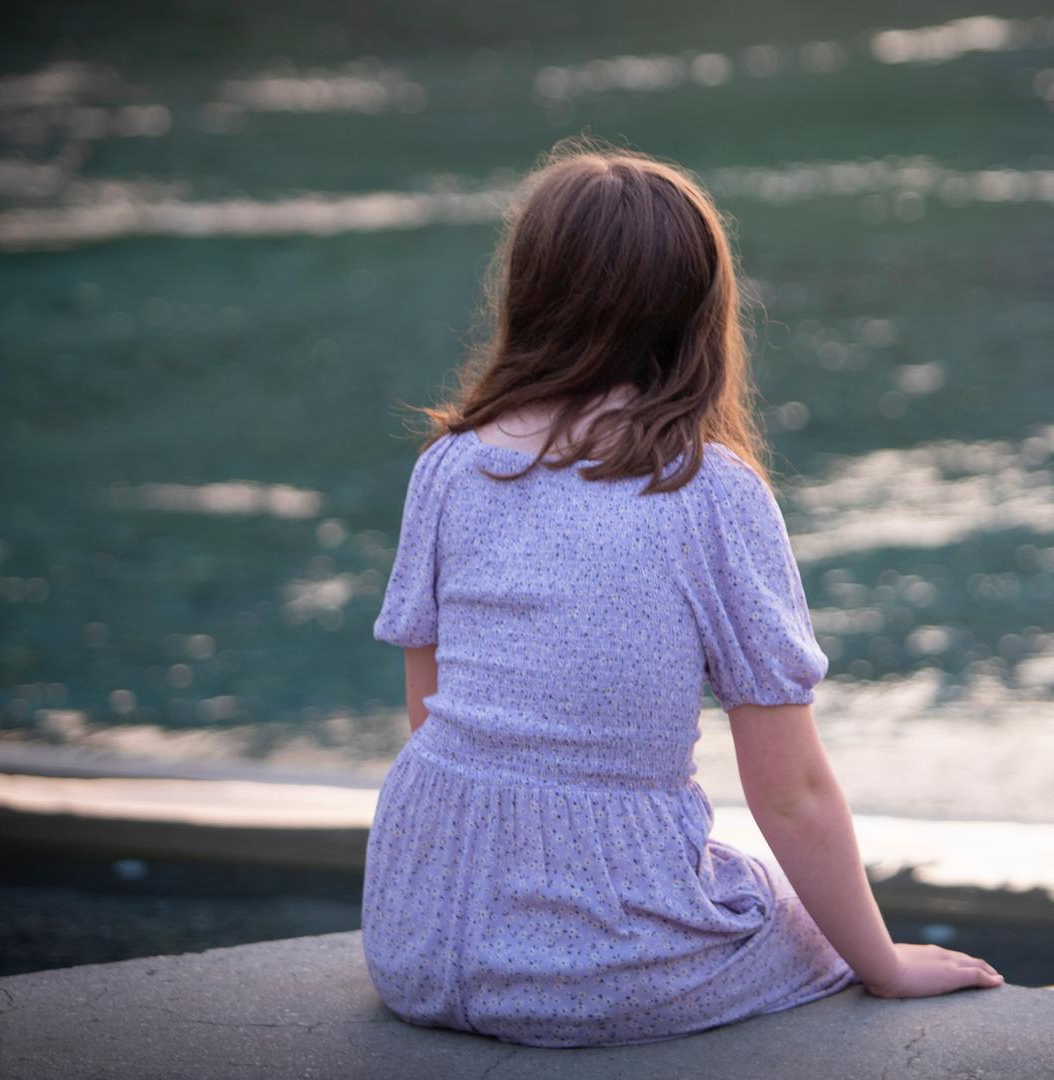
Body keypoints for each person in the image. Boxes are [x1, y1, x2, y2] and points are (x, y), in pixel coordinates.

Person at [361, 135, 1004, 1049]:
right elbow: (790, 793)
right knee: (792, 910)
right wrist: (883, 964)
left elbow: (430, 719)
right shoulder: (706, 492)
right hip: (590, 972)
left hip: (415, 936)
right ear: (697, 310)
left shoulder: (451, 467)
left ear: (529, 292)